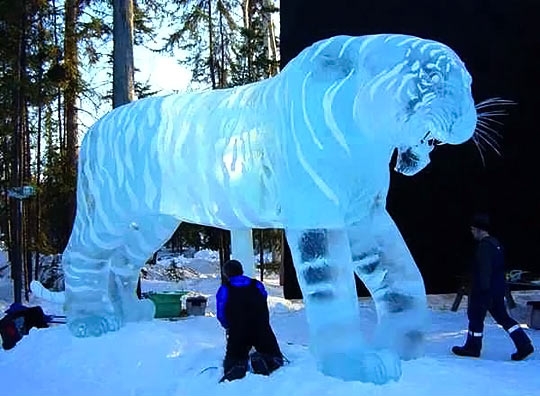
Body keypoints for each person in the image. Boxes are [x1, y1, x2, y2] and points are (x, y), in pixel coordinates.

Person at [452, 213, 534, 360]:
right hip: (497, 289)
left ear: (478, 229)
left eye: (472, 229)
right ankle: (524, 343)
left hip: (484, 290)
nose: (471, 232)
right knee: (504, 318)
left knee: (475, 318)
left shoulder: (484, 247)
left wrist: (482, 290)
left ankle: (472, 347)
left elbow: (484, 270)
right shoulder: (496, 244)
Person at [216, 259, 284, 382]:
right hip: (261, 327)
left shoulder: (225, 289)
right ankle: (265, 360)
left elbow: (221, 313)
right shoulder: (257, 285)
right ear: (241, 270)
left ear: (226, 274)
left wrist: (227, 326)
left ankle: (238, 366)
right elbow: (263, 299)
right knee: (274, 355)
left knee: (233, 356)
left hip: (238, 330)